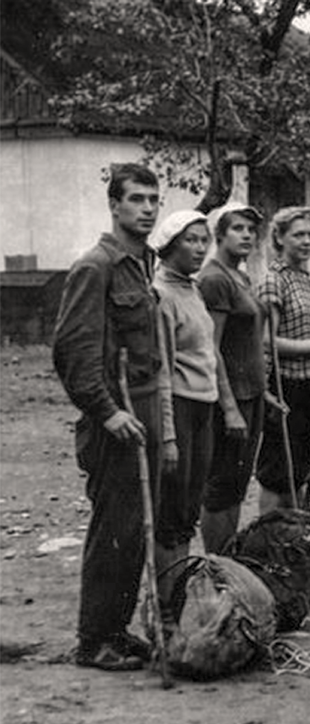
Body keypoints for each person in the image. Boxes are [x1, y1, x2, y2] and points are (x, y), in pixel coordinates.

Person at [53, 162, 172, 670]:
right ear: (114, 205)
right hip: (113, 416)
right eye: (137, 199)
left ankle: (117, 631)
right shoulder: (95, 266)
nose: (147, 209)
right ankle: (94, 640)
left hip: (142, 402)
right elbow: (73, 352)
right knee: (114, 529)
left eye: (153, 200)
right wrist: (105, 412)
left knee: (135, 527)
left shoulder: (141, 265)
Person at [150, 210, 216, 611]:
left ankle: (180, 592)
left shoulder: (192, 289)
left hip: (203, 406)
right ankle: (166, 603)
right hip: (179, 405)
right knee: (171, 510)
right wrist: (169, 435)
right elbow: (161, 368)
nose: (199, 248)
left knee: (190, 506)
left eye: (203, 239)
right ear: (171, 245)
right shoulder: (161, 295)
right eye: (190, 240)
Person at [256, 207, 310, 511]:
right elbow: (266, 341)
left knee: (300, 468)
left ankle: (294, 533)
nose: (306, 242)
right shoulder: (273, 280)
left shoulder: (305, 278)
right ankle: (269, 534)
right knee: (278, 471)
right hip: (286, 385)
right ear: (279, 237)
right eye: (298, 235)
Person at [198, 201, 265, 554]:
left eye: (251, 230)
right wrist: (229, 409)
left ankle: (229, 557)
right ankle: (217, 561)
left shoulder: (240, 276)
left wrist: (262, 392)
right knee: (223, 485)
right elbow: (213, 348)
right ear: (219, 234)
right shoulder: (214, 279)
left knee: (238, 483)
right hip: (231, 399)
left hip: (250, 395)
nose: (247, 236)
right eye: (238, 228)